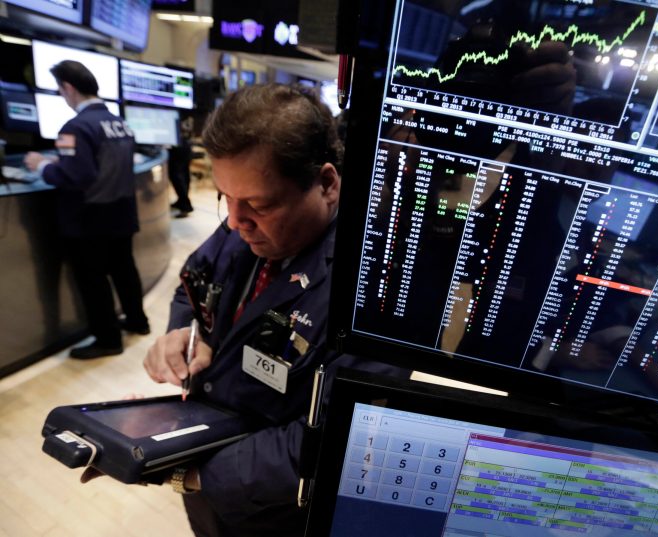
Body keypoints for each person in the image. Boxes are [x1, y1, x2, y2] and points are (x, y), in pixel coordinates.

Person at [142, 84, 406, 536]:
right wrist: (184, 333)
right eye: (226, 198)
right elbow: (192, 289)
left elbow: (341, 434)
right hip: (206, 478)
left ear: (327, 184)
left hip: (275, 511)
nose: (234, 221)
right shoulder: (244, 227)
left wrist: (200, 474)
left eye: (259, 205)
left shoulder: (377, 293)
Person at [24, 60, 150, 359]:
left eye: (60, 90)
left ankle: (107, 339)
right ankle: (137, 321)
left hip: (89, 220)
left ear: (68, 88)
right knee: (124, 270)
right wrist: (64, 163)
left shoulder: (74, 127)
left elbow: (76, 177)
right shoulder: (118, 122)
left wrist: (41, 166)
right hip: (121, 213)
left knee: (93, 280)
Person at [169, 115, 194, 217]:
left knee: (177, 177)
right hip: (186, 145)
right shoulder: (185, 114)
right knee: (184, 175)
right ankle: (182, 201)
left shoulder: (173, 114)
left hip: (178, 146)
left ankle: (185, 205)